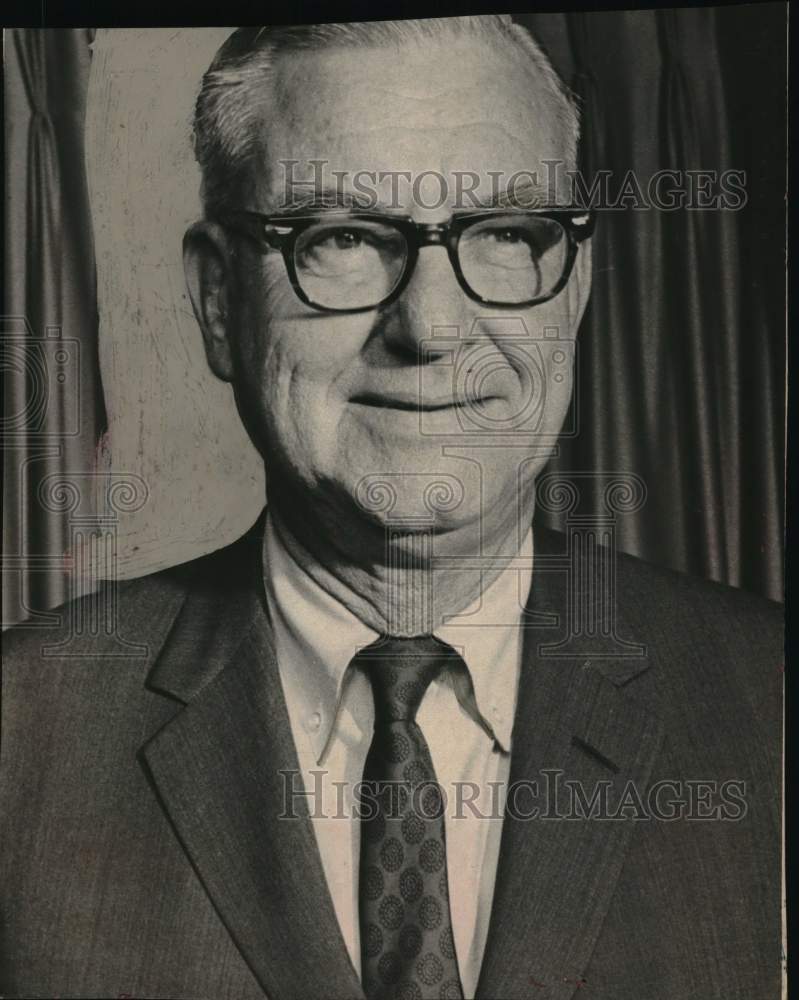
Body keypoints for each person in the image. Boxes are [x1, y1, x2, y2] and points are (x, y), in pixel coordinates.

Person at [0, 17, 782, 1000]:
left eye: (503, 234)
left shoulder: (768, 702)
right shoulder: (20, 738)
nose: (431, 326)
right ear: (215, 301)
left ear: (574, 288)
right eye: (344, 239)